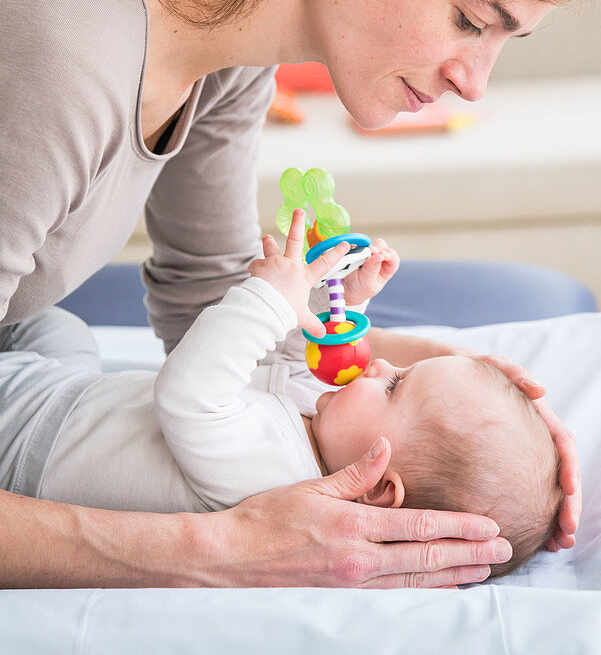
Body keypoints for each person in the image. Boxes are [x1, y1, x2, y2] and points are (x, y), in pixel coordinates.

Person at [0, 0, 601, 587]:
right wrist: (226, 553)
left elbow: (209, 303)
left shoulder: (226, 33)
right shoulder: (62, 47)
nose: (473, 83)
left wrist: (457, 411)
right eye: (471, 20)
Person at [0, 211, 563, 578]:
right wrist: (343, 303)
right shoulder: (326, 434)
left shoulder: (272, 474)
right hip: (78, 393)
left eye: (395, 385)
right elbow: (295, 355)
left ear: (378, 491)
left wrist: (269, 298)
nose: (381, 365)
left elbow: (190, 393)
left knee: (44, 324)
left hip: (28, 433)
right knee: (60, 328)